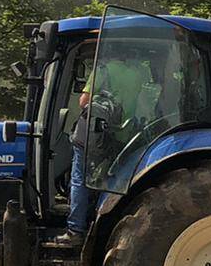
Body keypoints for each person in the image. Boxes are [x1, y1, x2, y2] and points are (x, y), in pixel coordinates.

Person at [62, 52, 152, 244]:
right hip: (122, 136)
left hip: (97, 136)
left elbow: (83, 102)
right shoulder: (136, 74)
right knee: (109, 177)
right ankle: (103, 221)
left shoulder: (102, 70)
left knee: (79, 178)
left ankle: (75, 228)